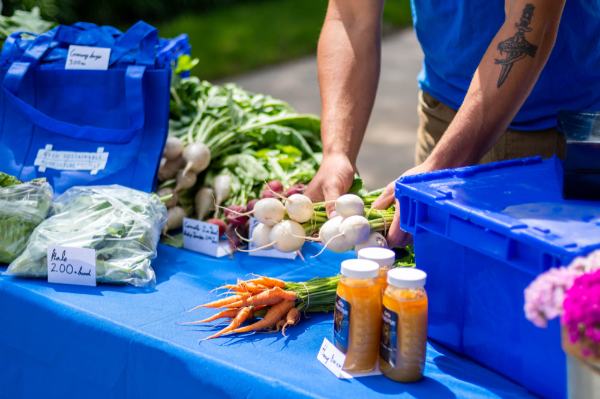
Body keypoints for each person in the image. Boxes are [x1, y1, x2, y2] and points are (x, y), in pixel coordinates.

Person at [305, 0, 600, 247]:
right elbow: (351, 16)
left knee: (561, 301)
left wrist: (443, 162)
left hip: (567, 134)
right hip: (444, 116)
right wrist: (336, 152)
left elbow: (529, 28)